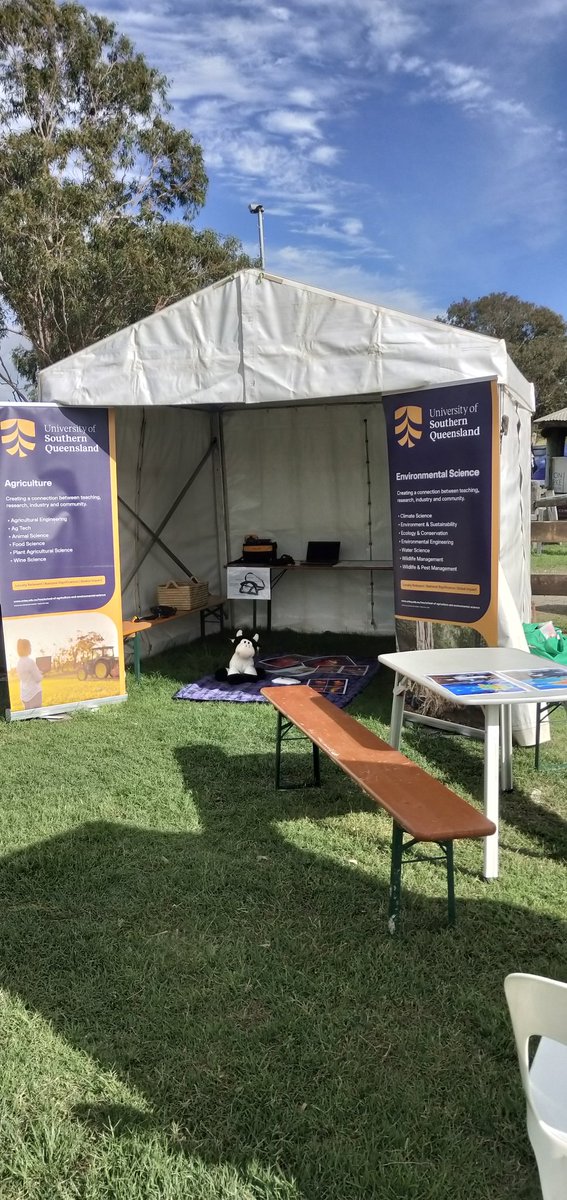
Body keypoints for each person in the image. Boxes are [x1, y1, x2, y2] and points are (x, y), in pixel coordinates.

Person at [15, 638, 43, 710]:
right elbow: (38, 678)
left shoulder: (18, 663)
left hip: (24, 694)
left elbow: (24, 676)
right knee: (37, 715)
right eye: (30, 646)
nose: (31, 648)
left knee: (28, 715)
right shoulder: (30, 661)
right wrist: (41, 674)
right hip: (34, 693)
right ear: (26, 648)